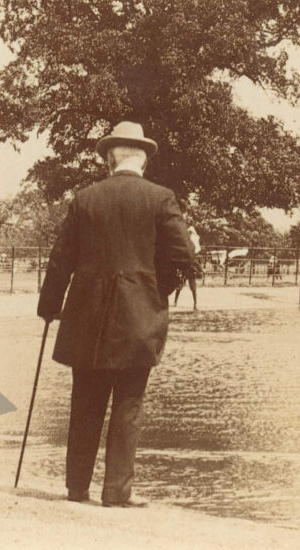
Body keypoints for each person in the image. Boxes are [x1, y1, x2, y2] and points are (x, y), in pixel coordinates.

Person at [37, 121, 193, 508]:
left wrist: (49, 306)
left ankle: (77, 488)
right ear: (143, 161)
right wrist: (158, 290)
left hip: (86, 315)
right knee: (128, 404)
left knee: (85, 401)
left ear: (110, 159)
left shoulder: (85, 198)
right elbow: (184, 256)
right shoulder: (160, 197)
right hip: (139, 316)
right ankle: (116, 492)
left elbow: (61, 261)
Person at [173, 224, 201, 310]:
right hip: (186, 266)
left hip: (190, 267)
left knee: (192, 287)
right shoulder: (187, 242)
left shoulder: (193, 241)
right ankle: (176, 301)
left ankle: (195, 304)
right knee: (180, 284)